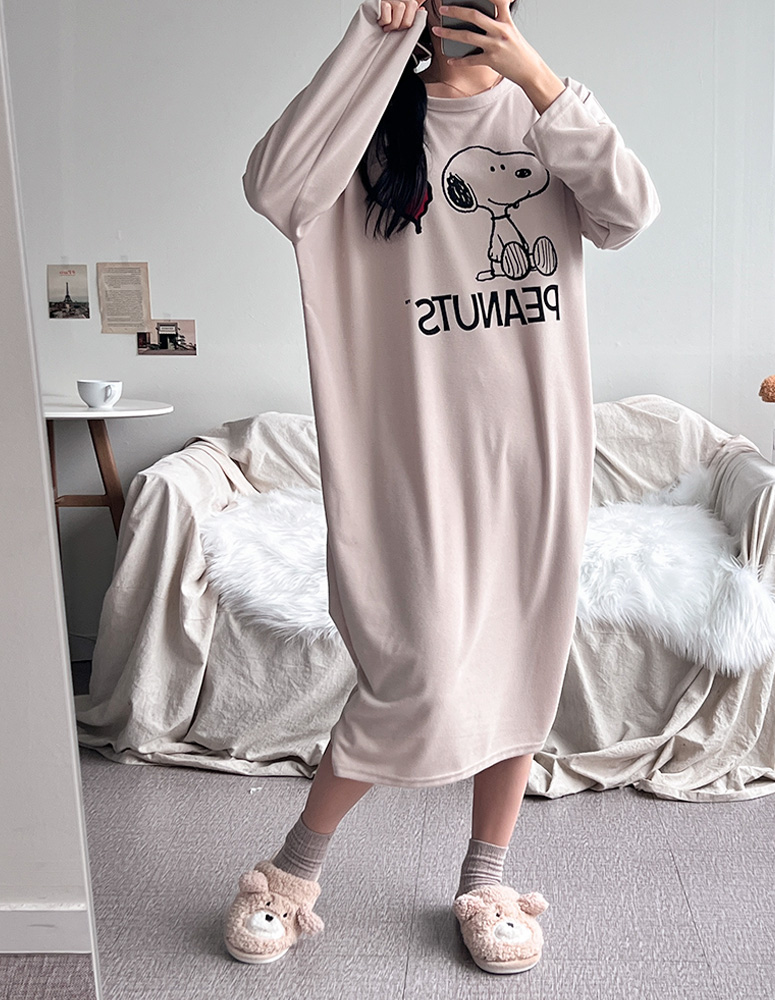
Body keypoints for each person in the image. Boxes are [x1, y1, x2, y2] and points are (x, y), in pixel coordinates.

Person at [224, 0, 659, 975]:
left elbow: (629, 211)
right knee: (413, 667)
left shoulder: (548, 113)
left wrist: (539, 77)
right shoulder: (374, 119)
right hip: (406, 452)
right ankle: (291, 871)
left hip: (536, 449)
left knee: (523, 657)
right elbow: (272, 185)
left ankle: (487, 879)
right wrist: (371, 37)